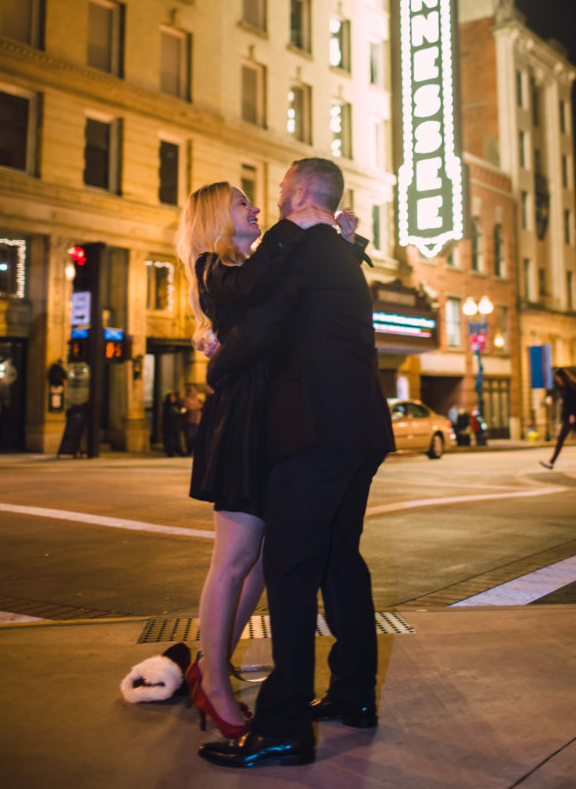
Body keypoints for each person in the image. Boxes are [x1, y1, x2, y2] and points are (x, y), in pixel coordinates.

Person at [198, 158, 395, 770]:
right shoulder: (339, 252)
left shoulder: (305, 244)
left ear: (304, 195)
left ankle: (283, 727)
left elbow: (251, 305)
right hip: (360, 426)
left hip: (315, 429)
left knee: (290, 567)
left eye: (282, 191)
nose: (275, 201)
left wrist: (216, 362)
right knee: (340, 559)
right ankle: (353, 695)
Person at [176, 180, 341, 739]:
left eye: (254, 201)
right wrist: (295, 227)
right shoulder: (209, 264)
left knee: (266, 558)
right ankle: (214, 681)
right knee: (234, 557)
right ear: (216, 215)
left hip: (271, 418)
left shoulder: (247, 269)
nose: (255, 209)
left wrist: (340, 240)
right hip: (241, 419)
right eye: (242, 202)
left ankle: (208, 662)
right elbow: (250, 287)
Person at [161, 391, 185, 456]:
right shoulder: (167, 405)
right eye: (171, 397)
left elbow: (182, 411)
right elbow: (172, 414)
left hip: (176, 426)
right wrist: (179, 413)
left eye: (173, 397)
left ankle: (178, 450)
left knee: (177, 439)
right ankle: (170, 452)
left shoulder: (177, 404)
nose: (173, 399)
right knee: (170, 439)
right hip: (169, 426)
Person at [182, 384, 203, 456]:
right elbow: (187, 408)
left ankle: (194, 451)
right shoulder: (185, 399)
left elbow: (200, 407)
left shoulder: (197, 399)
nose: (195, 392)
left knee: (195, 437)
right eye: (193, 391)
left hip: (197, 421)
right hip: (189, 421)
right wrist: (195, 408)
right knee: (189, 437)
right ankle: (189, 450)